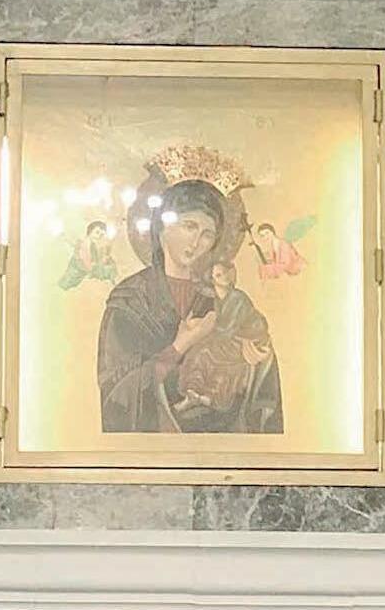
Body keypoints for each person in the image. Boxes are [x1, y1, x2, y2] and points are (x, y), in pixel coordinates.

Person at [96, 179, 282, 434]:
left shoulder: (222, 296)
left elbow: (260, 371)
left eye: (208, 234)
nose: (196, 242)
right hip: (153, 449)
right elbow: (115, 395)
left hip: (223, 444)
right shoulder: (130, 301)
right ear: (163, 228)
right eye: (189, 226)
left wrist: (256, 356)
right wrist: (180, 346)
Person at [173, 260, 283, 432]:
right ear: (212, 280)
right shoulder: (219, 299)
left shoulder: (238, 298)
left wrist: (204, 328)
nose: (223, 277)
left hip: (247, 339)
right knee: (198, 350)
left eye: (225, 273)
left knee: (208, 352)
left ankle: (211, 397)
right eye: (218, 275)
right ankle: (192, 393)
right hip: (229, 338)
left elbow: (228, 328)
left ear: (232, 275)